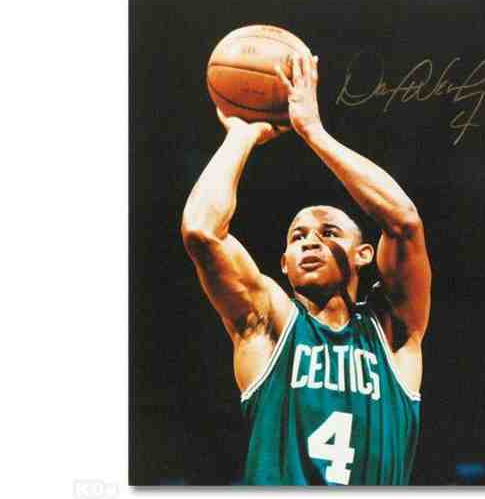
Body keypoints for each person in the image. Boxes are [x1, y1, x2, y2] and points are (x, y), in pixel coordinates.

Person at [181, 52, 432, 485]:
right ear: (284, 264)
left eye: (328, 232)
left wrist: (313, 132)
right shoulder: (270, 324)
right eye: (297, 237)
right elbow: (201, 231)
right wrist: (242, 134)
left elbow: (404, 222)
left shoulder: (392, 331)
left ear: (363, 254)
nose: (310, 241)